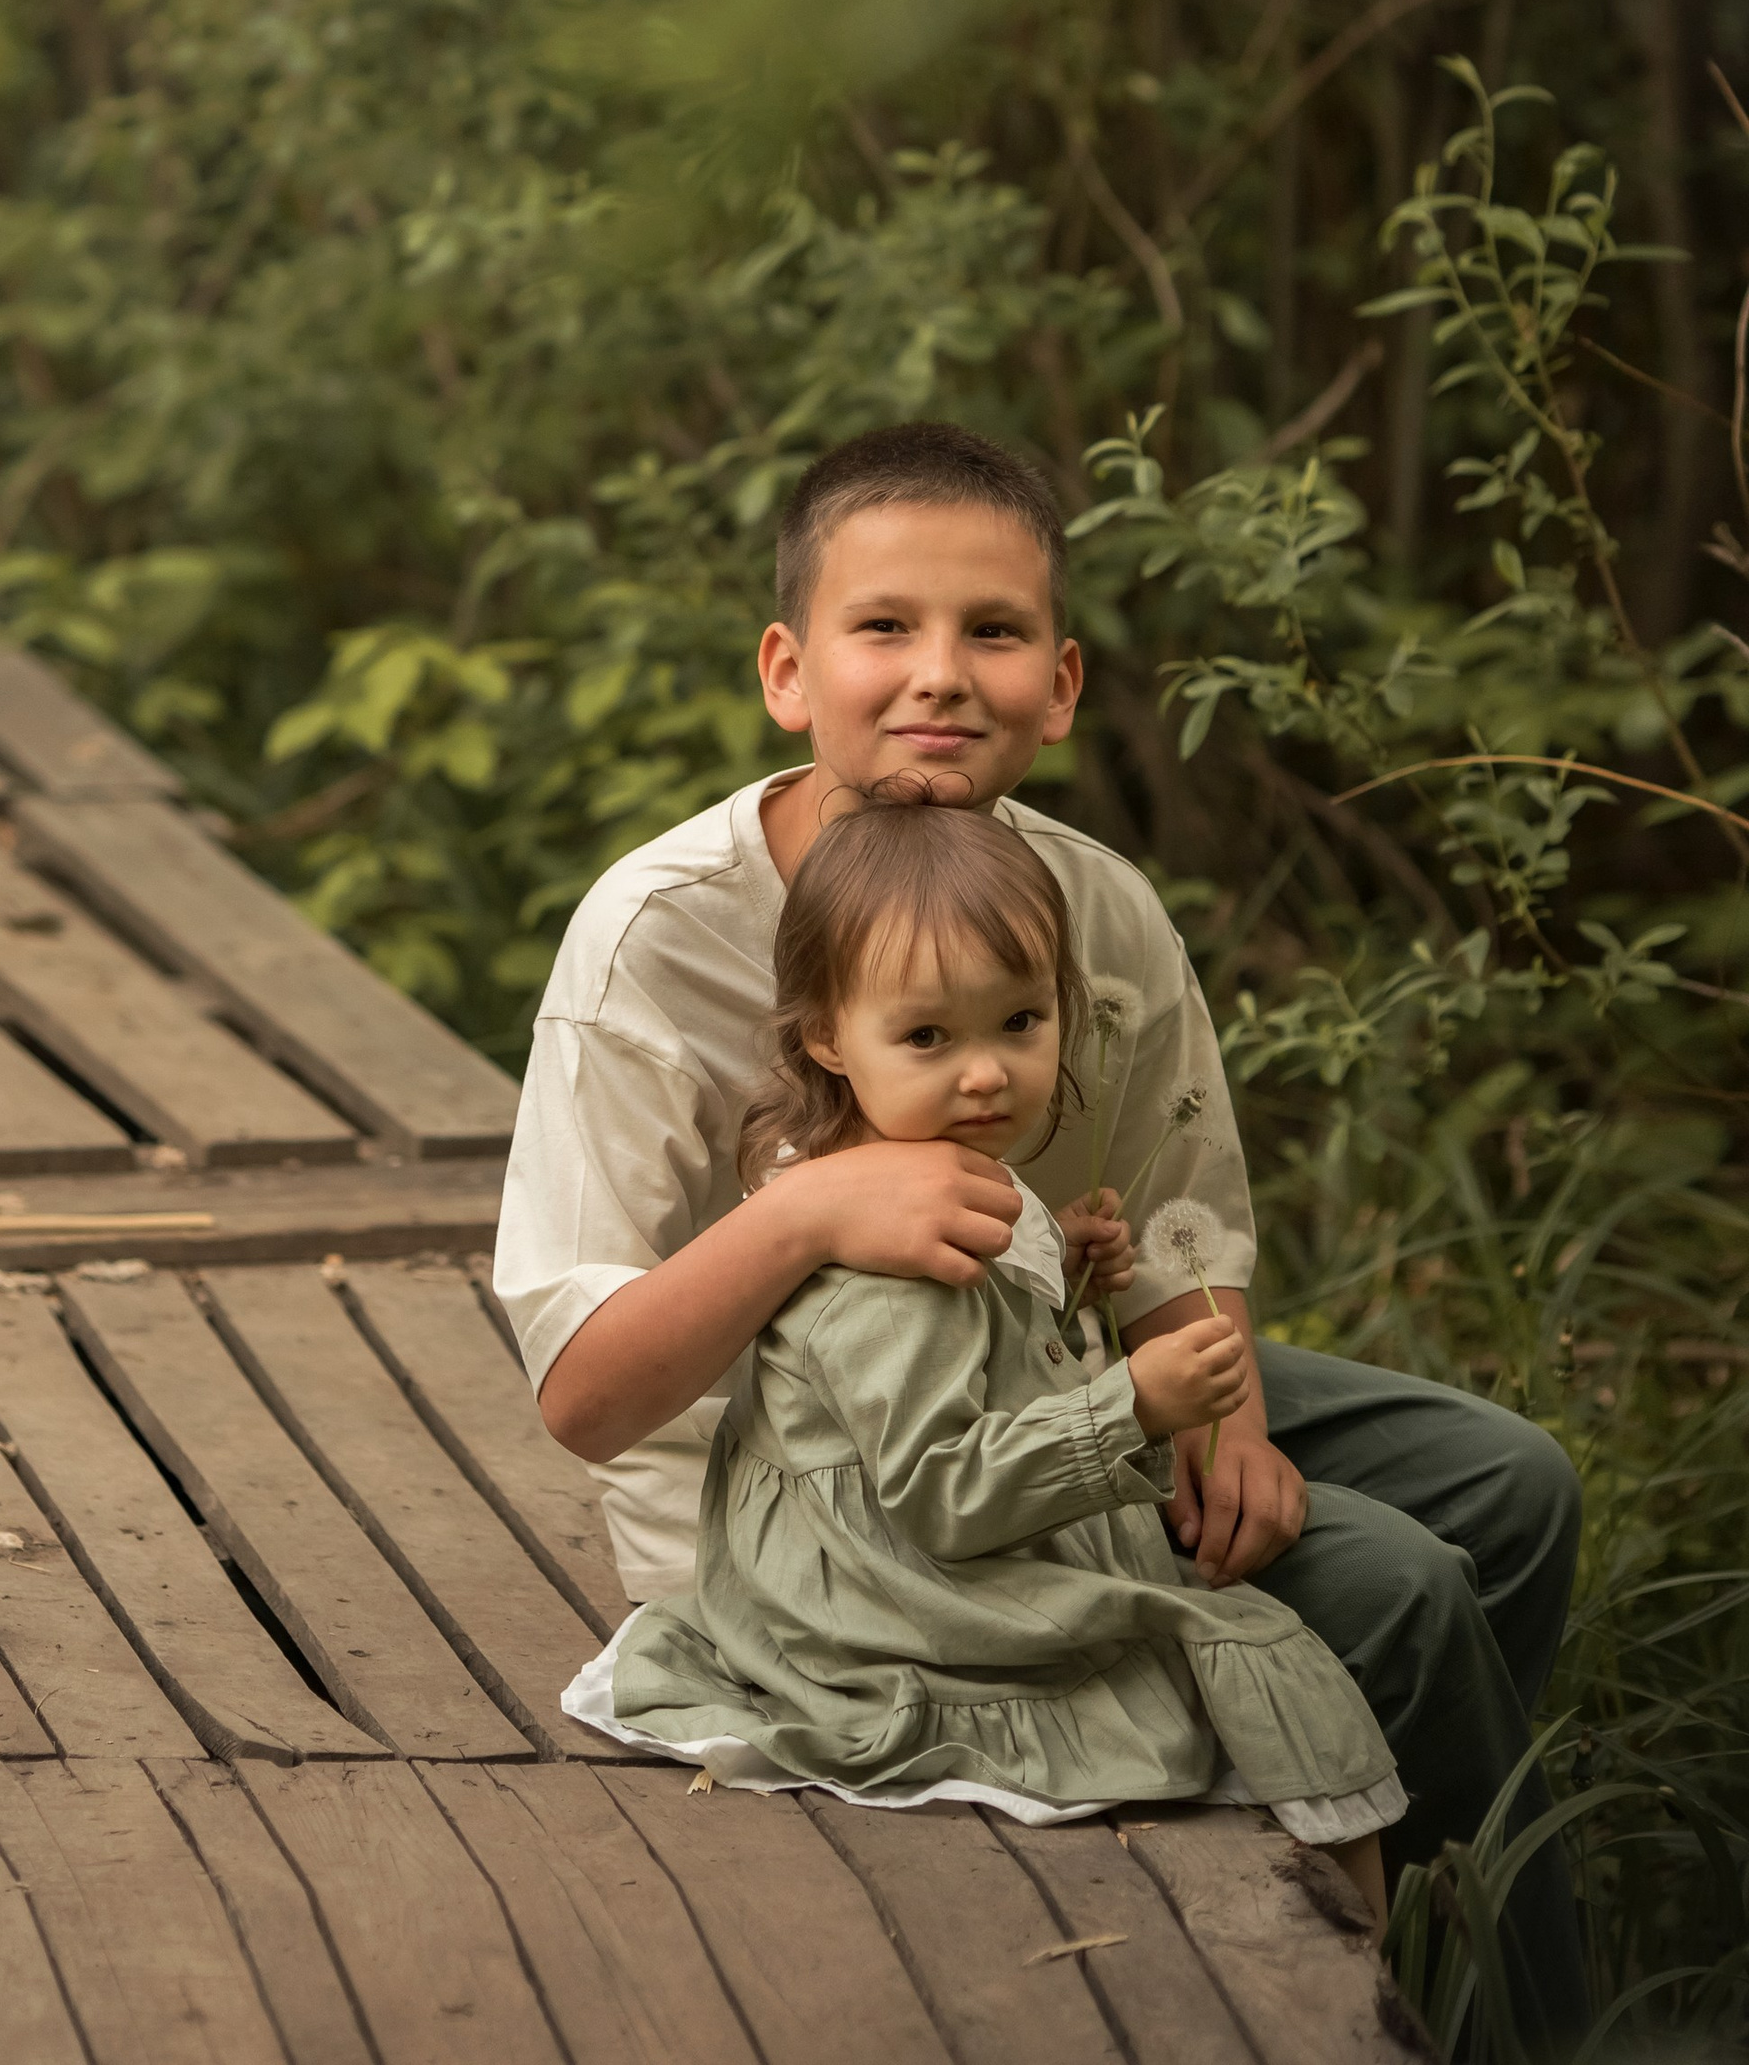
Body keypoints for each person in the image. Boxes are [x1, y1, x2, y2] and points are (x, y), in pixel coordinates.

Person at [494, 420, 1584, 2025]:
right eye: (887, 627)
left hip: (1057, 1371)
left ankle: (1386, 1916)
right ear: (789, 669)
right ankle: (1534, 2019)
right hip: (851, 1517)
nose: (940, 673)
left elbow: (1180, 1226)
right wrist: (809, 1213)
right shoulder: (663, 936)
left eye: (991, 630)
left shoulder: (1095, 906)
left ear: (1060, 683)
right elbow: (583, 1389)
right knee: (1405, 1590)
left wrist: (1230, 1419)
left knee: (1511, 1482)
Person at [563, 797, 1402, 1915]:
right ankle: (1369, 1960)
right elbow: (945, 1490)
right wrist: (1134, 1403)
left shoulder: (916, 1165)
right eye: (926, 1037)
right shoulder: (879, 1276)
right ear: (826, 1036)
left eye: (1019, 1022)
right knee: (1256, 1644)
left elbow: (985, 1354)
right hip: (896, 1607)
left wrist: (1071, 1287)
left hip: (916, 1551)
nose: (986, 1074)